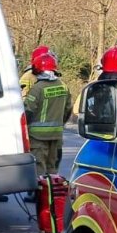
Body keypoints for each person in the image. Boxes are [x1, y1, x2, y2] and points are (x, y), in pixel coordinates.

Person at [25, 53, 72, 184]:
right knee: (52, 169)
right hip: (56, 135)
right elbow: (68, 109)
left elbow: (28, 110)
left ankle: (40, 197)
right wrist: (60, 124)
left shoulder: (37, 88)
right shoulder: (63, 86)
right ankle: (51, 198)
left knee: (39, 169)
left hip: (38, 137)